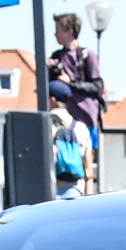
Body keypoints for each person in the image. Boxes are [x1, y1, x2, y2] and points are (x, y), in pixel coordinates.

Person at [48, 13, 103, 190]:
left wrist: (70, 83)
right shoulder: (57, 56)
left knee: (87, 158)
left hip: (86, 116)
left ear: (69, 31)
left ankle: (89, 191)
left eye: (58, 30)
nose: (55, 34)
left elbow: (96, 87)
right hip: (65, 117)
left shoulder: (87, 55)